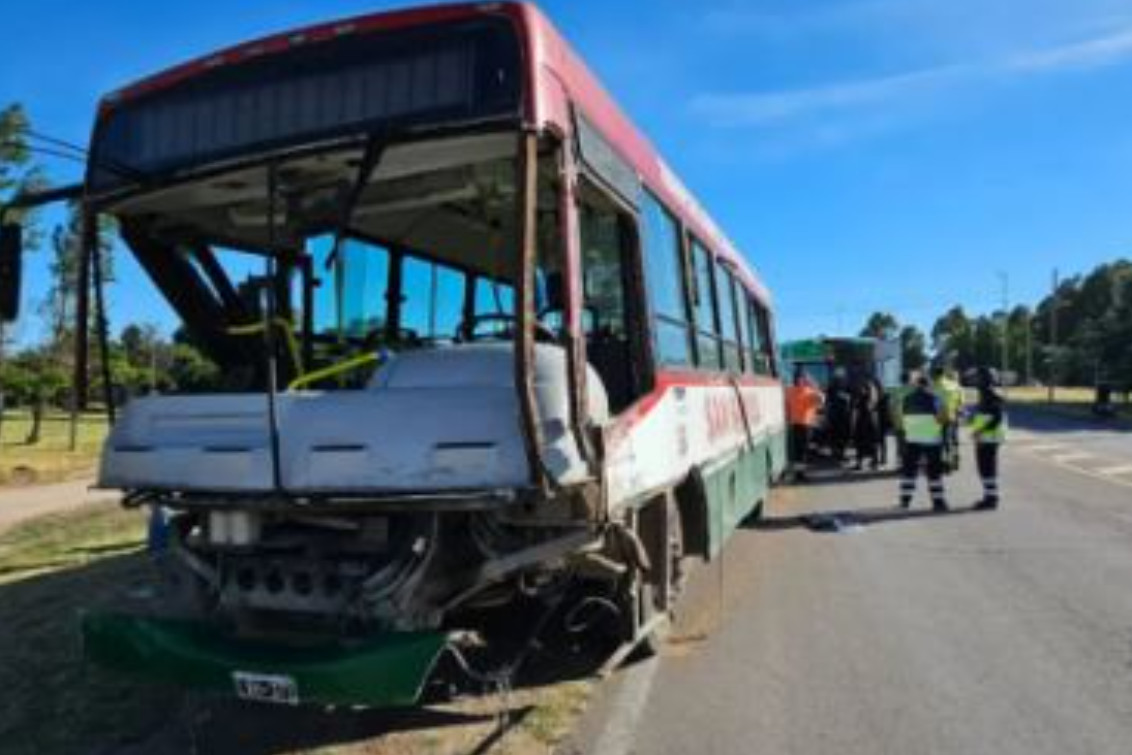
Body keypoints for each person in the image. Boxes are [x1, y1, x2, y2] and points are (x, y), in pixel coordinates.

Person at [899, 374, 949, 511]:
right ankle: (938, 501)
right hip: (931, 437)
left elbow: (903, 415)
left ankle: (905, 500)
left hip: (913, 436)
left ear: (917, 385)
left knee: (910, 470)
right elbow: (942, 417)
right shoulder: (935, 398)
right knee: (934, 471)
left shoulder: (907, 398)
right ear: (928, 385)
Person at [968, 366, 1007, 509]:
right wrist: (972, 417)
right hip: (985, 436)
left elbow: (996, 418)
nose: (975, 381)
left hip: (989, 437)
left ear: (985, 379)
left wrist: (980, 430)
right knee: (984, 468)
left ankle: (991, 499)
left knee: (987, 467)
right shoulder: (985, 394)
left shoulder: (991, 395)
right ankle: (989, 496)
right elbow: (984, 415)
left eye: (978, 378)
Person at [786, 371, 824, 481]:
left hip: (794, 424)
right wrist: (814, 386)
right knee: (802, 451)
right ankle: (800, 474)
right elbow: (821, 400)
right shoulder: (809, 392)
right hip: (805, 425)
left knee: (797, 450)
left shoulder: (790, 391)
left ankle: (798, 473)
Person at [931, 365, 963, 473]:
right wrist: (957, 410)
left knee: (940, 441)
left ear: (935, 375)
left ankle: (945, 463)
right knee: (952, 439)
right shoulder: (955, 385)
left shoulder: (933, 386)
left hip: (937, 418)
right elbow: (961, 401)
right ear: (943, 373)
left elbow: (930, 402)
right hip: (952, 416)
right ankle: (954, 459)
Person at [852, 376, 880, 470]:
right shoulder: (873, 399)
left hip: (862, 422)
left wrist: (853, 423)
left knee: (860, 443)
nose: (861, 389)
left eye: (862, 388)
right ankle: (874, 463)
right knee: (872, 443)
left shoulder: (862, 399)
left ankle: (860, 464)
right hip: (871, 422)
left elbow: (856, 411)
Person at [826, 370, 853, 464]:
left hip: (842, 415)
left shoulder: (847, 386)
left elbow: (852, 398)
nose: (840, 379)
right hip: (836, 415)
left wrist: (846, 397)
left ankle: (840, 453)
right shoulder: (832, 387)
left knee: (841, 435)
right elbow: (828, 400)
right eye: (838, 377)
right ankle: (836, 453)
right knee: (836, 434)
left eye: (840, 377)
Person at [889, 370, 913, 466]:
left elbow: (891, 407)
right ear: (909, 379)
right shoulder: (913, 390)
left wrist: (892, 419)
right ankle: (911, 462)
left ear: (901, 380)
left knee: (900, 444)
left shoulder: (896, 391)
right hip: (913, 422)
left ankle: (902, 463)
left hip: (899, 422)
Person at [873, 376, 891, 467]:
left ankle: (877, 459)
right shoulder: (885, 396)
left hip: (877, 420)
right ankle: (883, 459)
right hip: (883, 420)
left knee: (876, 441)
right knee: (882, 441)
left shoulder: (877, 397)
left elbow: (875, 408)